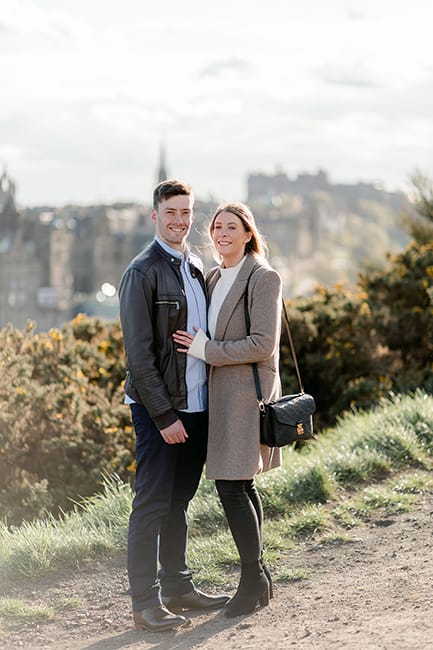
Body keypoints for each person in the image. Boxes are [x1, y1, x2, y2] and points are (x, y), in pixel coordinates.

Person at [118, 179, 229, 632]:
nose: (180, 221)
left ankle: (178, 586)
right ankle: (145, 601)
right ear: (155, 216)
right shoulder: (142, 272)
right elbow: (139, 358)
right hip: (160, 409)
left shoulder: (194, 264)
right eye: (171, 213)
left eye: (186, 213)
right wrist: (163, 416)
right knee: (151, 503)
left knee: (178, 501)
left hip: (196, 403)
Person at [172, 202, 283, 618]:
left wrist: (206, 349)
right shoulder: (215, 276)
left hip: (243, 396)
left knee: (231, 486)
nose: (221, 233)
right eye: (216, 226)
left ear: (247, 234)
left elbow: (262, 343)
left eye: (231, 227)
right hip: (218, 397)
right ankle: (260, 580)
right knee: (242, 485)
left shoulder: (263, 276)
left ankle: (251, 581)